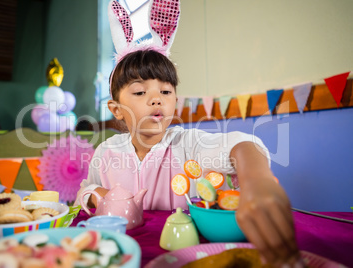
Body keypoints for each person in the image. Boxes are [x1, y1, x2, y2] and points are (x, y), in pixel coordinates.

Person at [74, 48, 303, 267]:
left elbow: (241, 145)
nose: (156, 100)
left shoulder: (188, 143)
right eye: (140, 92)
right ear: (116, 109)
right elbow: (84, 193)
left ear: (175, 100)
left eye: (165, 91)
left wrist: (257, 180)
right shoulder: (106, 152)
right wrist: (98, 196)